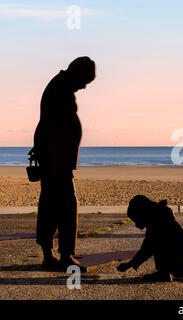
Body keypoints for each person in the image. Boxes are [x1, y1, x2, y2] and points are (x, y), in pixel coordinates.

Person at [29, 57, 96, 271]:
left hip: (58, 160)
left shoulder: (60, 86)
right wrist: (41, 148)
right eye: (85, 80)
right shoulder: (60, 89)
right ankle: (64, 255)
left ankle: (52, 255)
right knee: (65, 207)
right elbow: (47, 124)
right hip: (57, 162)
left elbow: (45, 124)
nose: (84, 86)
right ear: (77, 73)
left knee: (52, 206)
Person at [117, 195, 183, 282]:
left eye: (136, 220)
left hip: (180, 265)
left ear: (143, 214)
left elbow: (146, 250)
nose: (136, 225)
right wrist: (130, 264)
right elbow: (146, 249)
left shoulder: (158, 225)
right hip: (182, 262)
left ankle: (163, 274)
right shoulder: (160, 218)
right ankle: (163, 273)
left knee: (157, 244)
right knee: (156, 243)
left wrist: (129, 264)